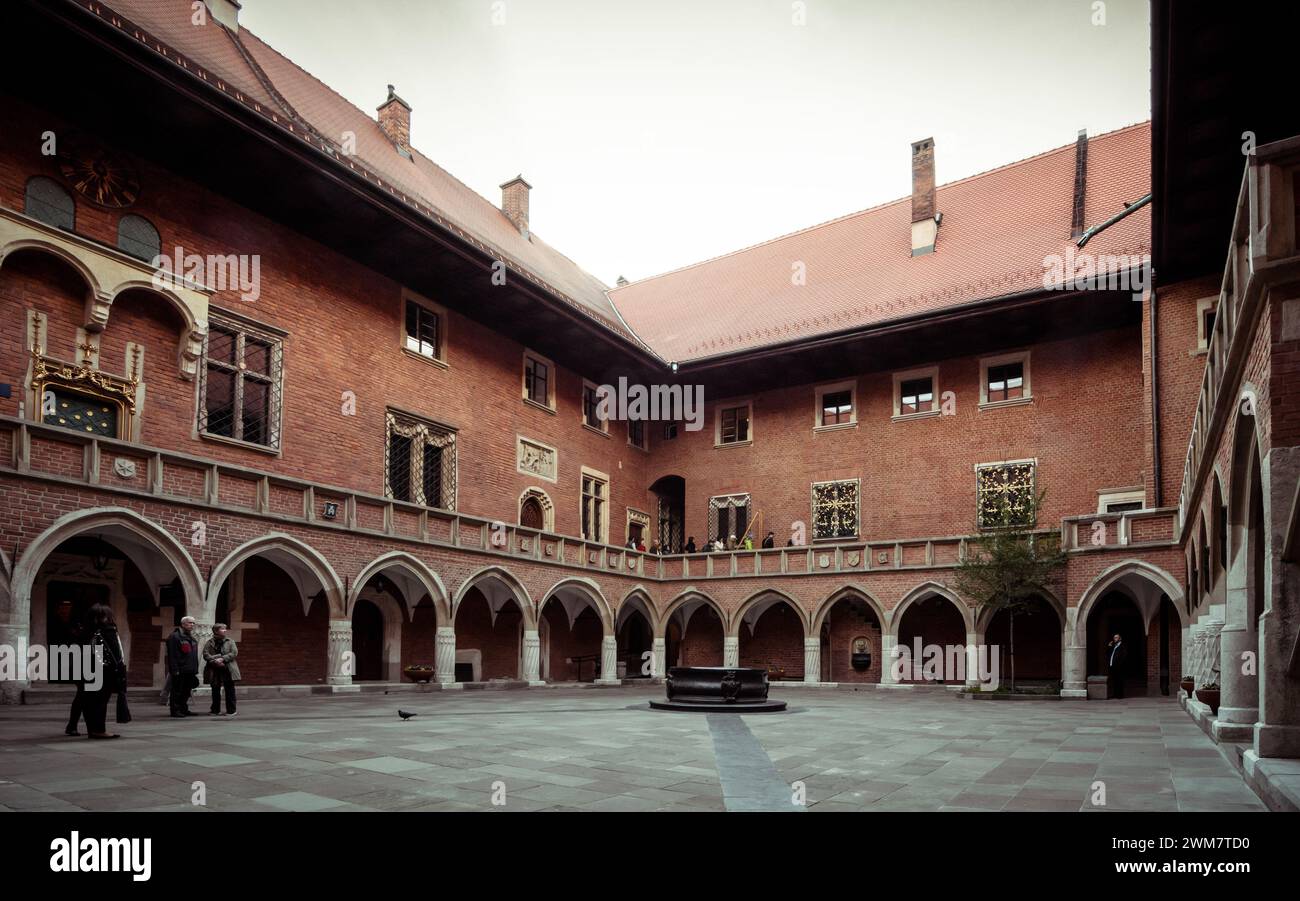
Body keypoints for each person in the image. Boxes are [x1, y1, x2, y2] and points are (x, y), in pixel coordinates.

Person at [82, 604, 126, 740]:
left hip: (87, 669)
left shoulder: (86, 631)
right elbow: (117, 654)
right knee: (101, 700)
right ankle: (99, 730)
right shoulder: (108, 631)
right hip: (105, 672)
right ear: (105, 617)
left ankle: (92, 729)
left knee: (88, 701)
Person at [203, 624, 240, 717]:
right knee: (215, 689)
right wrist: (215, 660)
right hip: (214, 669)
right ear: (216, 631)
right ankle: (215, 710)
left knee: (229, 689)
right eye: (222, 629)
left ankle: (231, 710)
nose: (225, 630)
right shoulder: (209, 642)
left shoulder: (230, 641)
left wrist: (222, 658)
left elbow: (234, 652)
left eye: (225, 629)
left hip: (228, 668)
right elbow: (205, 654)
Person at [167, 616, 201, 717]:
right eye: (190, 623)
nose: (192, 625)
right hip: (180, 669)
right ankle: (175, 710)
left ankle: (183, 709)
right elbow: (172, 655)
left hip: (190, 670)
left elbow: (192, 656)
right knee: (177, 691)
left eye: (193, 623)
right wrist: (174, 670)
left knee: (186, 691)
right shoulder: (175, 637)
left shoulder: (191, 637)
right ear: (183, 624)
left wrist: (195, 669)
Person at [1106, 633, 1128, 699]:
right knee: (1114, 681)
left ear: (1120, 638)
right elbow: (1109, 655)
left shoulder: (1122, 646)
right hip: (1113, 667)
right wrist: (1109, 646)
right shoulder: (1114, 646)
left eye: (1116, 637)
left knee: (1119, 681)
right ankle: (1115, 694)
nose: (1115, 639)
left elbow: (1124, 656)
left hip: (1119, 667)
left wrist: (1119, 664)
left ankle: (1120, 695)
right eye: (1114, 637)